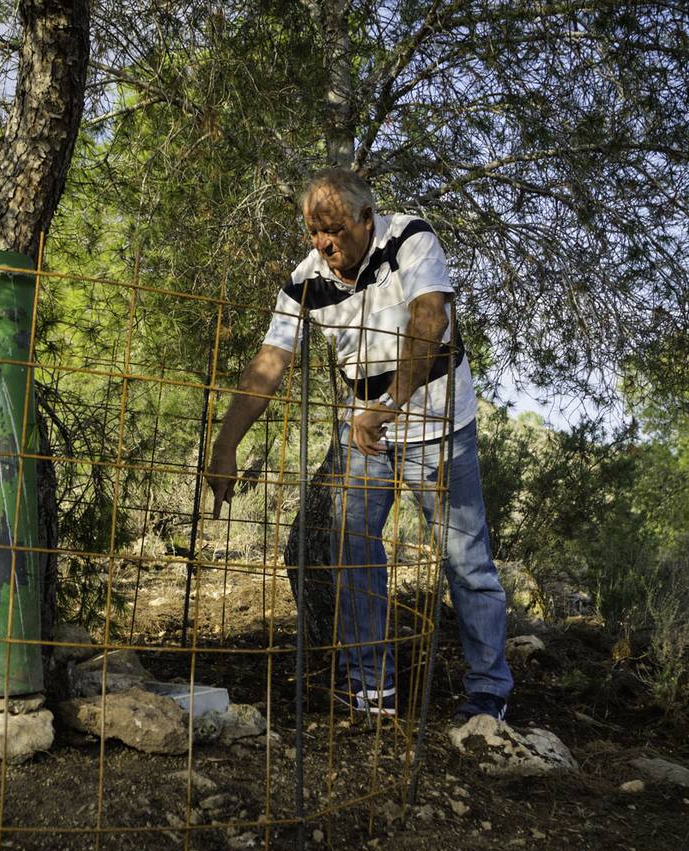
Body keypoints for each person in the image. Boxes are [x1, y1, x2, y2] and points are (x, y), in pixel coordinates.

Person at [205, 168, 512, 720]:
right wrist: (225, 447)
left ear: (367, 220)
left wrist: (386, 406)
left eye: (334, 230)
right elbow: (269, 366)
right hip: (366, 431)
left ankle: (489, 694)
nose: (324, 244)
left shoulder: (411, 239)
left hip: (438, 424)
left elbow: (429, 320)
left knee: (466, 562)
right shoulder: (305, 281)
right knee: (349, 547)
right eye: (313, 233)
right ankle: (374, 688)